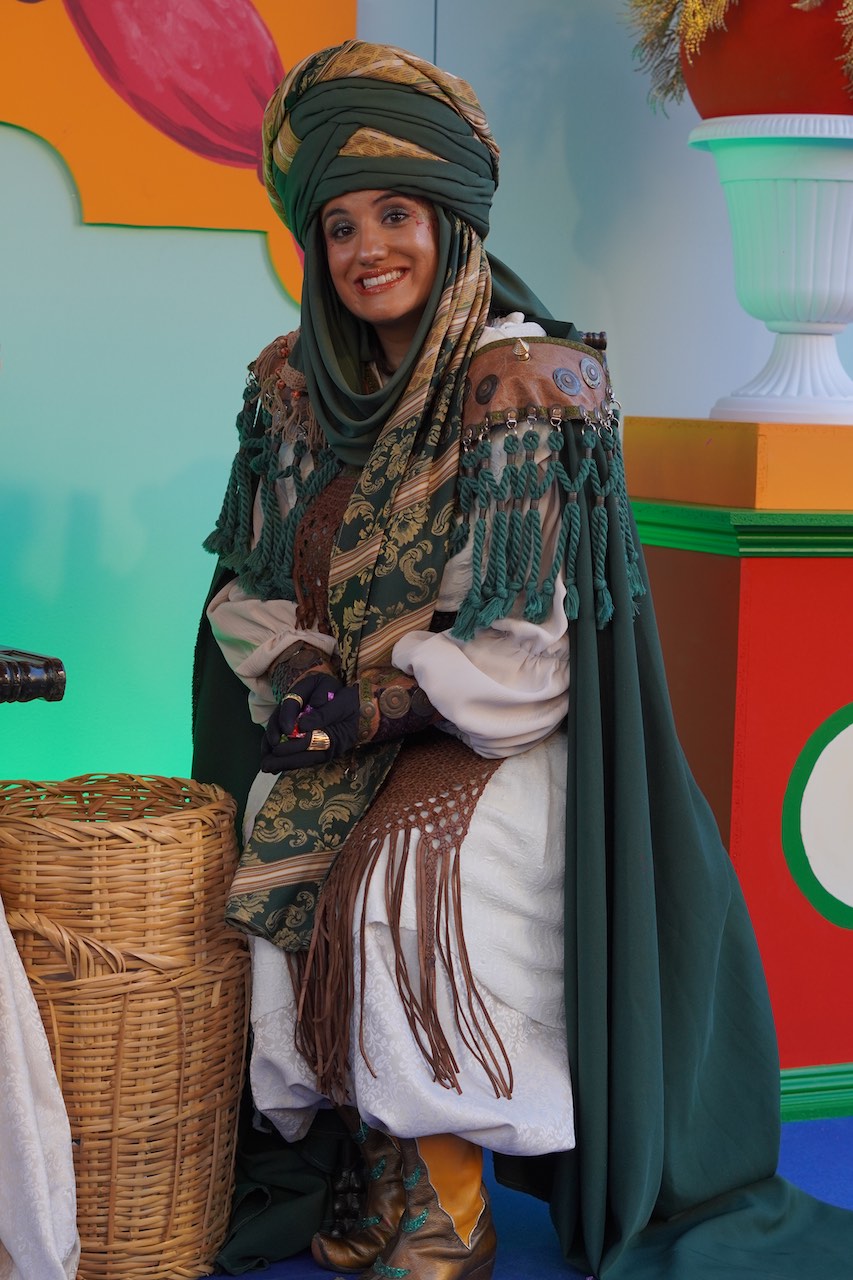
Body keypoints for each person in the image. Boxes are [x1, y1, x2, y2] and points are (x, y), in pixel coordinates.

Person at [193, 39, 853, 1280]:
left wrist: (383, 698)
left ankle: (447, 1198)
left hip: (493, 732)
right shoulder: (292, 386)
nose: (366, 247)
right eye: (338, 224)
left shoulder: (524, 380)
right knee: (272, 854)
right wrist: (299, 675)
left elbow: (529, 652)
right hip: (340, 720)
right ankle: (375, 1161)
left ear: (449, 220)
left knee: (397, 880)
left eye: (395, 213)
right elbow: (251, 588)